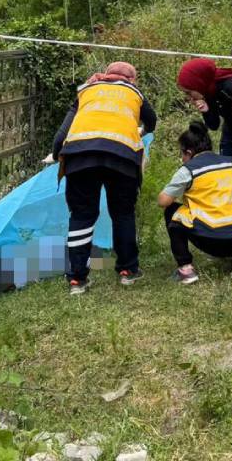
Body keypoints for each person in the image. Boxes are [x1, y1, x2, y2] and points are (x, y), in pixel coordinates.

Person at [51, 61, 157, 294]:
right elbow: (152, 121)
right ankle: (128, 270)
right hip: (122, 156)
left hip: (79, 157)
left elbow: (63, 132)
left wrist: (55, 153)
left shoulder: (87, 89)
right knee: (122, 213)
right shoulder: (133, 92)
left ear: (106, 75)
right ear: (132, 79)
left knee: (81, 215)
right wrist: (141, 131)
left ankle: (77, 279)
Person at [157, 121, 232, 284]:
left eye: (182, 154)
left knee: (172, 211)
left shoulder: (189, 169)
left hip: (217, 241)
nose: (182, 158)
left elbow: (163, 201)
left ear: (188, 152)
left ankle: (185, 270)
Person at [175, 58, 232, 170]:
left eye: (189, 92)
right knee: (225, 172)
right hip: (229, 134)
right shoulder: (208, 90)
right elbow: (214, 125)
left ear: (199, 83)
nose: (188, 97)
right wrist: (207, 111)